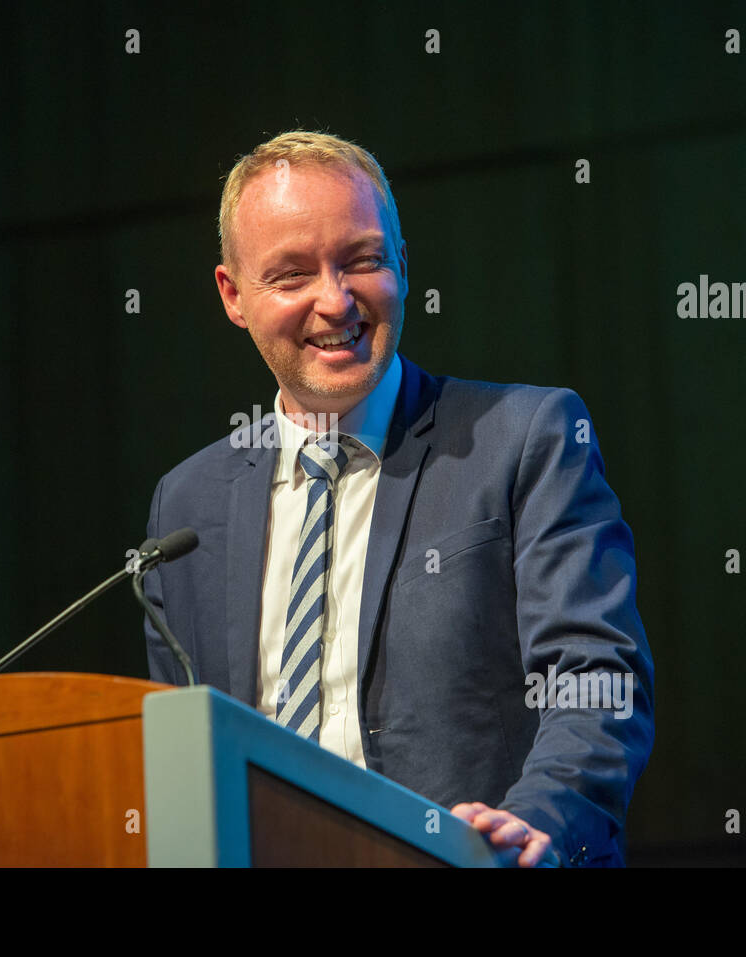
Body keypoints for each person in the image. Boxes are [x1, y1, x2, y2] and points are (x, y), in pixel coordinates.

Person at [142, 130, 654, 867]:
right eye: (290, 275)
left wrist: (537, 819)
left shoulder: (523, 440)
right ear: (233, 295)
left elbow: (596, 677)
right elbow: (181, 756)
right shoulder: (185, 507)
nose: (335, 299)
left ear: (404, 265)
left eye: (362, 260)